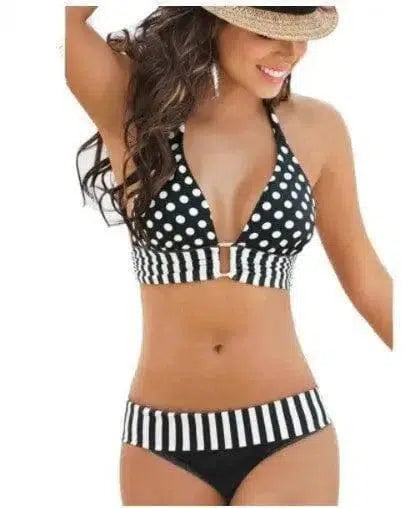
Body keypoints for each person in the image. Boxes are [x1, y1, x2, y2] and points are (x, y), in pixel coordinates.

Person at [65, 5, 392, 506]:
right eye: (267, 32)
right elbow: (62, 20)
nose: (290, 52)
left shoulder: (318, 128)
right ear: (215, 18)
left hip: (287, 431)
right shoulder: (132, 109)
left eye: (300, 35)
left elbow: (366, 278)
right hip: (162, 441)